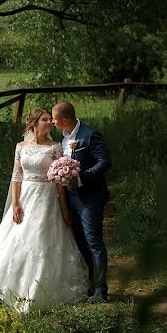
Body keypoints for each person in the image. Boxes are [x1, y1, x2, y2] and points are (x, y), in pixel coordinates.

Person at [0, 108, 89, 312]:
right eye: (45, 120)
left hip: (46, 199)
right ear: (34, 124)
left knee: (43, 241)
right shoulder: (21, 147)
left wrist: (64, 210)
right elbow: (17, 176)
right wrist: (15, 203)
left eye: (51, 120)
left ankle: (41, 291)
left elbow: (59, 184)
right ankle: (4, 290)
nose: (50, 123)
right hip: (25, 198)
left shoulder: (55, 147)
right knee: (15, 241)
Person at [52, 101, 112, 303]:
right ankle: (88, 285)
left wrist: (82, 178)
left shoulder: (90, 135)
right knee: (79, 242)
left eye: (55, 119)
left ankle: (101, 290)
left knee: (94, 241)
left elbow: (105, 162)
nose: (53, 122)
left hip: (90, 198)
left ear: (65, 120)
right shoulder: (62, 139)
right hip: (71, 198)